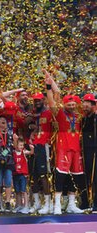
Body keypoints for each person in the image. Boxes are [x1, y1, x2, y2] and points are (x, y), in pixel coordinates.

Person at [44, 70, 84, 215]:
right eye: (69, 105)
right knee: (60, 176)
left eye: (74, 104)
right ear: (65, 105)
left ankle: (72, 204)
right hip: (63, 148)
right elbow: (51, 100)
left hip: (76, 149)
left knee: (76, 176)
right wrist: (49, 86)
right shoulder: (59, 113)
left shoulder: (79, 115)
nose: (72, 107)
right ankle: (57, 205)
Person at [27, 93, 53, 214]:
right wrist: (31, 123)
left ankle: (48, 204)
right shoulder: (33, 114)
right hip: (33, 145)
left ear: (44, 100)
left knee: (44, 175)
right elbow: (25, 123)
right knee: (34, 175)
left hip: (44, 146)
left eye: (39, 100)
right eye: (35, 101)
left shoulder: (48, 113)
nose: (37, 102)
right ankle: (37, 203)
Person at [80, 94, 97, 212]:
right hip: (85, 151)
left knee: (95, 177)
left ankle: (95, 203)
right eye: (84, 104)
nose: (85, 106)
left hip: (94, 150)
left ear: (93, 105)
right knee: (85, 176)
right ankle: (86, 202)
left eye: (88, 104)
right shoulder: (83, 119)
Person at [12, 137, 34, 214]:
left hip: (23, 174)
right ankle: (19, 205)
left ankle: (26, 206)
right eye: (20, 145)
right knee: (17, 191)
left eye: (22, 145)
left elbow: (31, 152)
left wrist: (32, 148)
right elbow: (4, 153)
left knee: (23, 191)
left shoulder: (24, 152)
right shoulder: (13, 152)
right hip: (15, 174)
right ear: (16, 145)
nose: (21, 147)